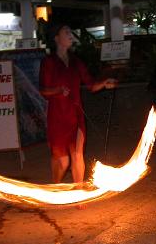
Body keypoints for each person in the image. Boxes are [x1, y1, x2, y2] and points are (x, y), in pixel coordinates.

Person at [39, 23, 117, 184]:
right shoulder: (49, 62)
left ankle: (79, 191)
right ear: (56, 38)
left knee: (77, 154)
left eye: (70, 31)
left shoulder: (76, 62)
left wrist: (104, 83)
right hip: (58, 116)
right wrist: (58, 90)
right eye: (66, 31)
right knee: (62, 161)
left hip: (76, 114)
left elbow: (91, 85)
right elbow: (43, 90)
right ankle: (55, 186)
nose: (70, 34)